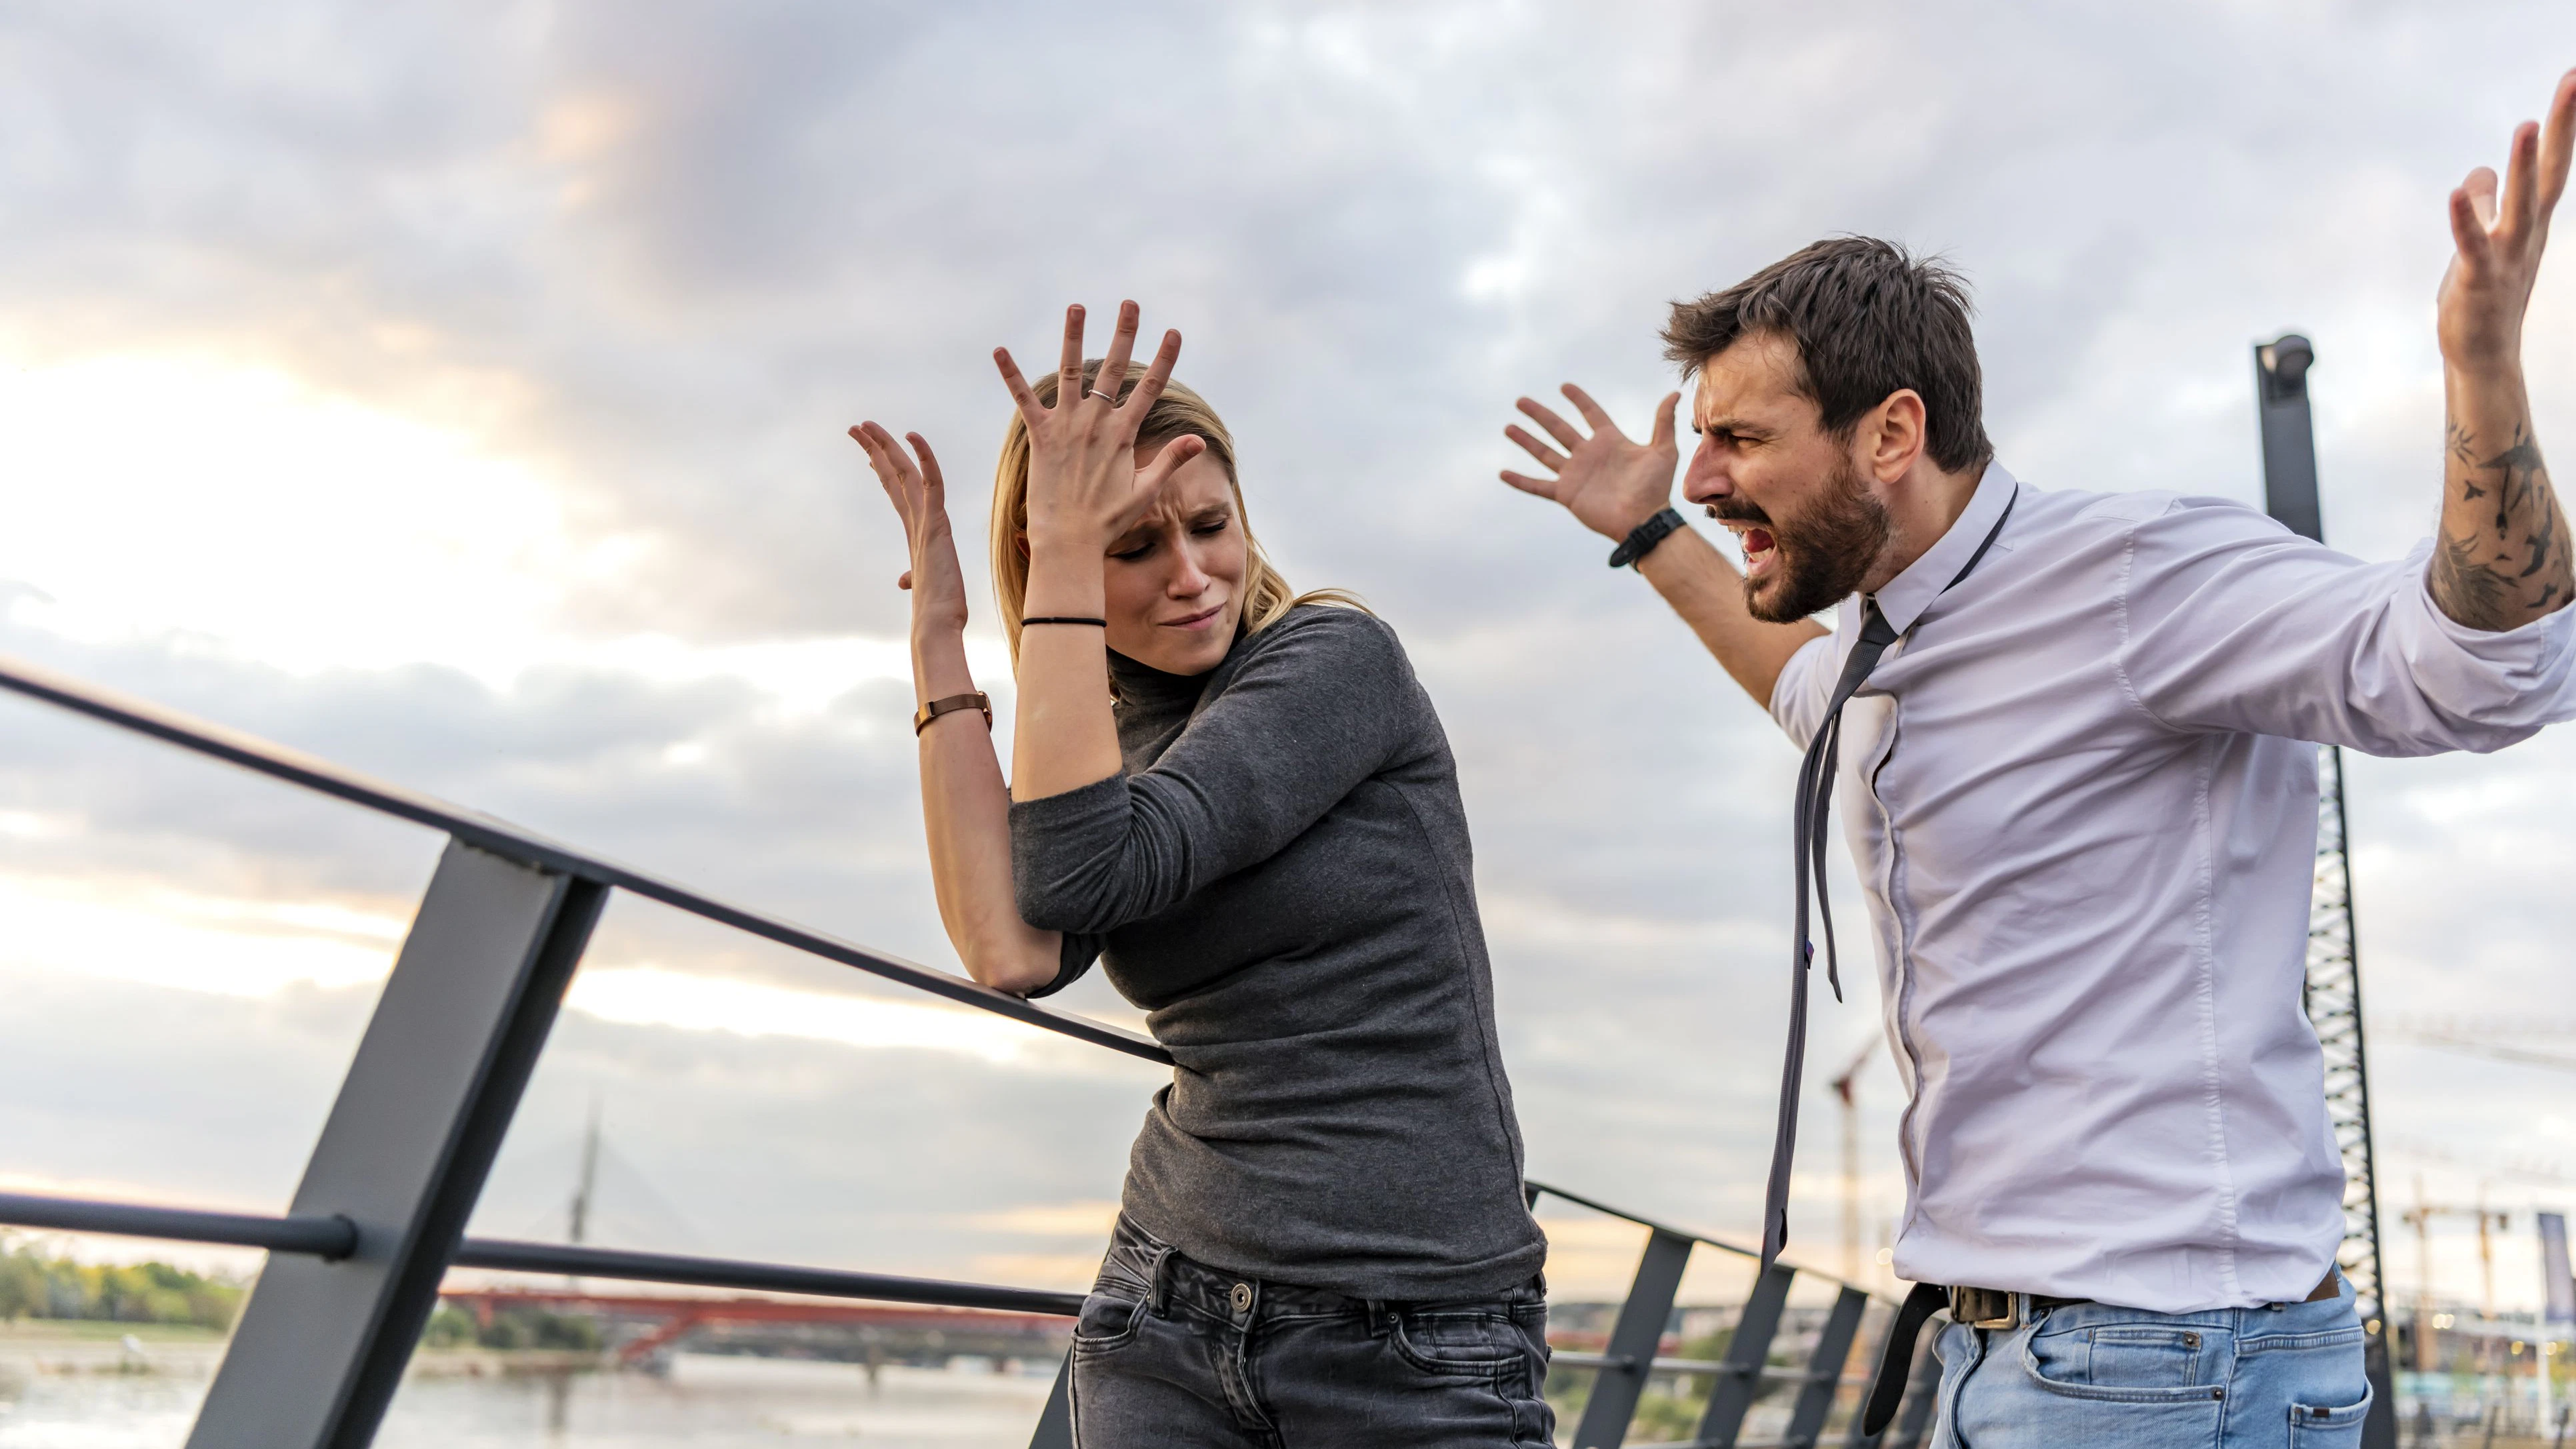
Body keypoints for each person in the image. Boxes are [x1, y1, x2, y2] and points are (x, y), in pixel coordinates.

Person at [1499, 71, 2576, 1448]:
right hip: (2014, 1355)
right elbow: (1805, 686)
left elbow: (2487, 671)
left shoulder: (2135, 575)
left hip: (2168, 1366)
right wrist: (1653, 538)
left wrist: (2483, 377)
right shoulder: (1899, 642)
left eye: (1738, 440)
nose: (1705, 476)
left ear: (1891, 433)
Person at [852, 302, 1553, 1448]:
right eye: (1132, 545)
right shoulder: (1105, 740)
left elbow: (1087, 872)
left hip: (1414, 1337)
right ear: (1057, 565)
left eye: (1211, 527)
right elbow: (1011, 949)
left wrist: (1070, 558)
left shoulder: (1335, 662)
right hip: (1166, 1317)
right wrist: (939, 640)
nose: (1191, 575)